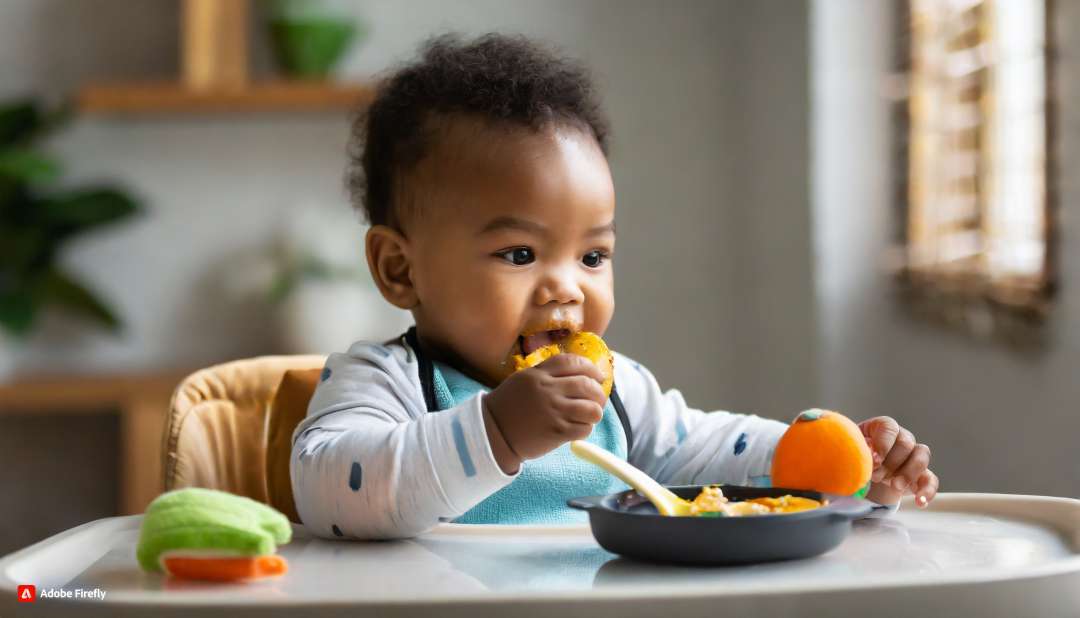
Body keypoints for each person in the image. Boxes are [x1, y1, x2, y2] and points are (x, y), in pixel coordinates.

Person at [290, 33, 938, 540]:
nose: (566, 289)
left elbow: (712, 454)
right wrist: (498, 431)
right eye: (520, 253)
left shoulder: (617, 394)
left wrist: (838, 467)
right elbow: (331, 488)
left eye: (593, 256)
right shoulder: (385, 382)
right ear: (400, 270)